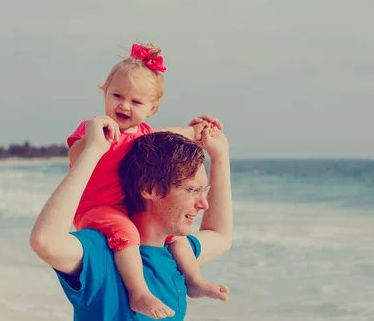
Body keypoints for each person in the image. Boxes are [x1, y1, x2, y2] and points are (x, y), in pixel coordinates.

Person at [64, 42, 227, 319]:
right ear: (104, 92)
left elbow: (167, 132)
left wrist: (196, 131)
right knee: (125, 232)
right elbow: (75, 153)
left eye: (136, 102)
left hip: (126, 204)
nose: (124, 105)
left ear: (153, 108)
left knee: (175, 237)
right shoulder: (98, 128)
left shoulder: (143, 134)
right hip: (97, 208)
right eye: (117, 95)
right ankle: (138, 292)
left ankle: (193, 279)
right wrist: (93, 143)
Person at [29, 117, 232, 320]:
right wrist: (92, 151)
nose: (203, 204)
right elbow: (45, 241)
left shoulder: (178, 254)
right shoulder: (101, 252)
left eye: (203, 190)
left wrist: (220, 156)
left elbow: (219, 235)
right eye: (193, 190)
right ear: (150, 189)